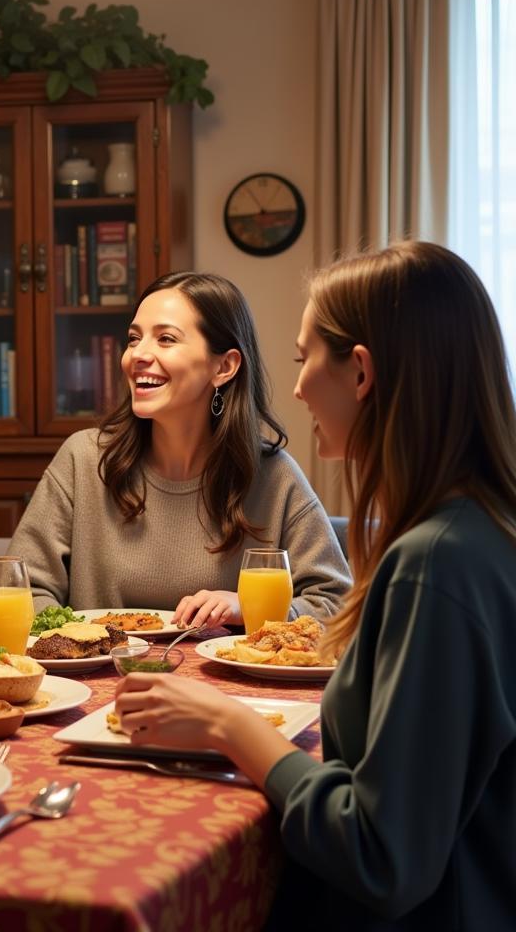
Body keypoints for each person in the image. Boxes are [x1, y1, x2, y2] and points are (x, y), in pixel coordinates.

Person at [116, 242, 516, 929]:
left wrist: (227, 725)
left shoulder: (434, 565)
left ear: (360, 372)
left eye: (305, 362)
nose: (296, 389)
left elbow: (380, 855)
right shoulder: (485, 532)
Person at [8, 271, 349, 626]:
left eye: (166, 339)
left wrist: (247, 607)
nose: (138, 354)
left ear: (224, 366)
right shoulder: (83, 460)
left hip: (220, 683)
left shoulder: (275, 477)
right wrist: (79, 641)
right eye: (134, 339)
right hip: (100, 679)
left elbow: (337, 607)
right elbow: (21, 590)